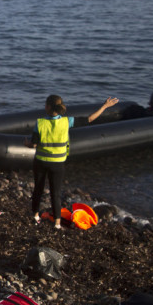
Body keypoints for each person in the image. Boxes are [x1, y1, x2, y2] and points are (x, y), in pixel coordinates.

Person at [26, 94, 119, 229]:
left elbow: (34, 144)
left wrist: (27, 144)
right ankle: (57, 223)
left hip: (41, 161)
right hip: (57, 163)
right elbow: (89, 119)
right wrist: (104, 106)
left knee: (38, 190)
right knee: (55, 193)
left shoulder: (40, 123)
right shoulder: (66, 121)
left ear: (47, 107)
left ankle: (35, 216)